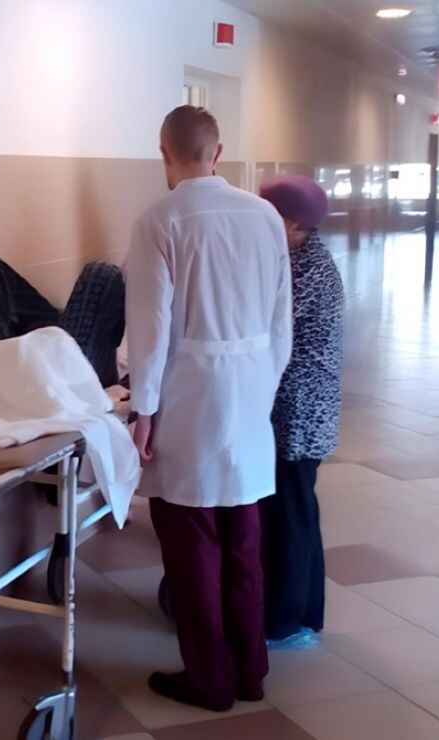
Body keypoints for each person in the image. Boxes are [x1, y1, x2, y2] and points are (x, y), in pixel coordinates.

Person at [125, 105, 292, 712]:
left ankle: (209, 680)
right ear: (218, 153)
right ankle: (250, 670)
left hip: (190, 396)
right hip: (251, 390)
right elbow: (281, 318)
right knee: (243, 539)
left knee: (192, 543)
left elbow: (150, 329)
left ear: (163, 152)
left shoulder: (160, 220)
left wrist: (143, 410)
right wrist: (263, 387)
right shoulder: (265, 216)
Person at [257, 175, 344, 650]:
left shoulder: (304, 270)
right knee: (298, 510)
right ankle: (300, 611)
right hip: (303, 408)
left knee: (290, 514)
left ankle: (282, 617)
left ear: (291, 224)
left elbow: (265, 327)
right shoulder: (303, 258)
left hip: (299, 412)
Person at [0, 248, 125, 387]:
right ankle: (2, 375)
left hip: (58, 371)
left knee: (102, 273)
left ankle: (2, 380)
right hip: (46, 352)